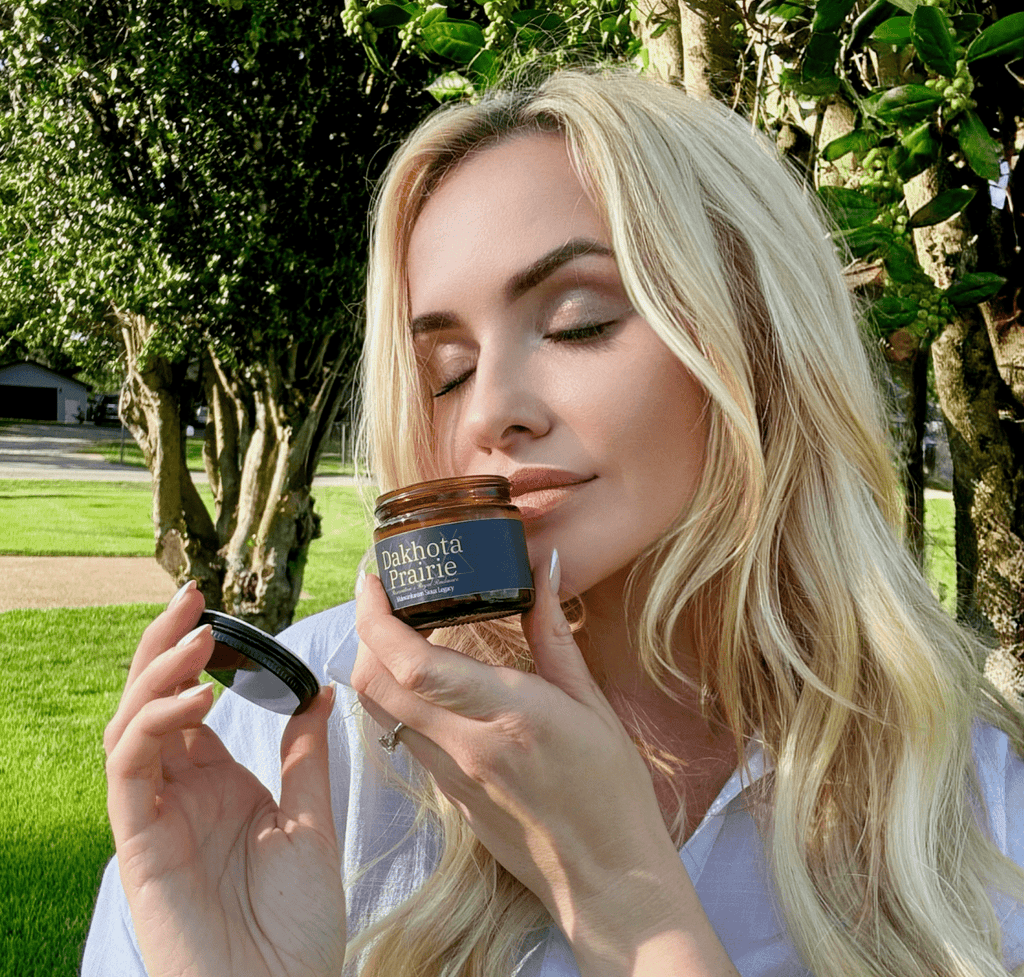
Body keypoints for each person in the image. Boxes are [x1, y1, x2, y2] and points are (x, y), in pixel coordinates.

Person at [84, 68, 1024, 977]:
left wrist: (628, 905)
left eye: (576, 322)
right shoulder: (303, 750)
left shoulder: (972, 791)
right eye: (445, 371)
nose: (490, 409)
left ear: (762, 342)